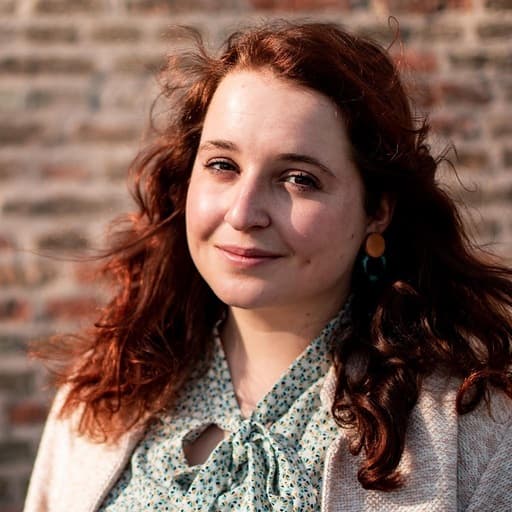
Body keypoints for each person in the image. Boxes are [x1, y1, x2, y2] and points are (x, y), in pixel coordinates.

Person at [24, 20, 512, 512]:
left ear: (377, 210)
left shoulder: (477, 435)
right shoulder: (102, 393)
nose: (243, 214)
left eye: (299, 178)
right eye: (222, 165)